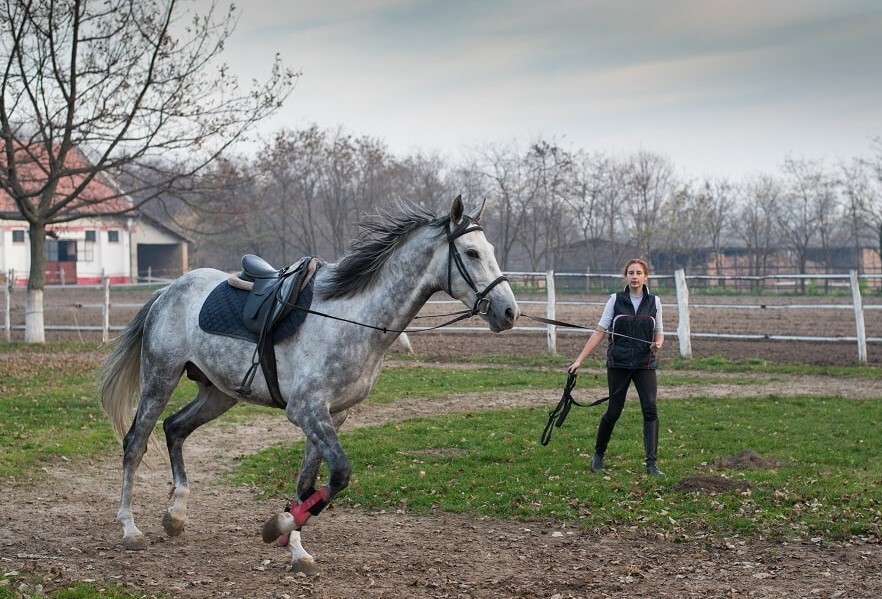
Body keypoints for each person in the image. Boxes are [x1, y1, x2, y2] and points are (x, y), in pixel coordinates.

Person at [567, 258, 665, 476]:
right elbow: (599, 331)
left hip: (644, 364)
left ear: (645, 276)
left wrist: (658, 344)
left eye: (638, 273)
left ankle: (651, 464)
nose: (634, 276)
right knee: (614, 411)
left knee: (650, 409)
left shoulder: (655, 302)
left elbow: (659, 331)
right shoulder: (615, 300)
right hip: (618, 363)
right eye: (631, 273)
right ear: (626, 276)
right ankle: (598, 454)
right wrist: (579, 360)